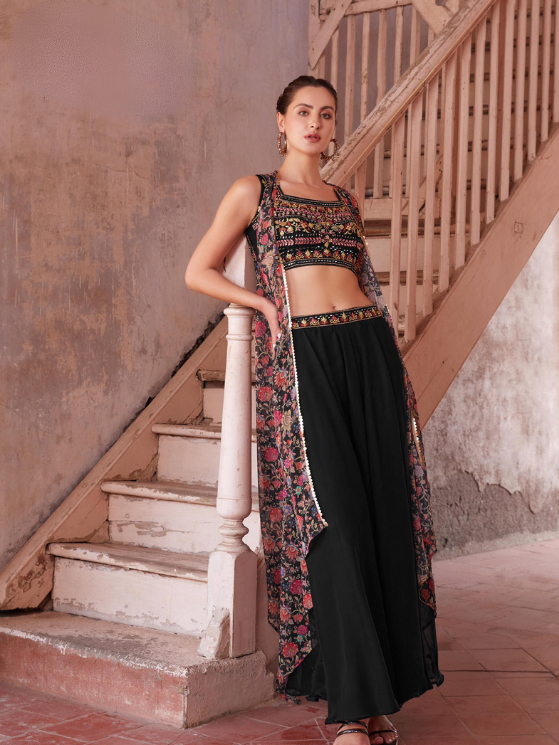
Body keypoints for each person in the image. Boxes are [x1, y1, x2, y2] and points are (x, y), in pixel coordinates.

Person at [185, 75, 444, 745]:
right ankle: (350, 709)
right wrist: (262, 304)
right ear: (281, 121)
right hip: (305, 362)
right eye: (303, 112)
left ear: (332, 127)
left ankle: (373, 703)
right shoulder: (254, 192)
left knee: (382, 519)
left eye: (326, 115)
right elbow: (199, 269)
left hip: (368, 352)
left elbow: (364, 283)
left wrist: (390, 365)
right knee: (335, 524)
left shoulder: (344, 200)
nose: (314, 123)